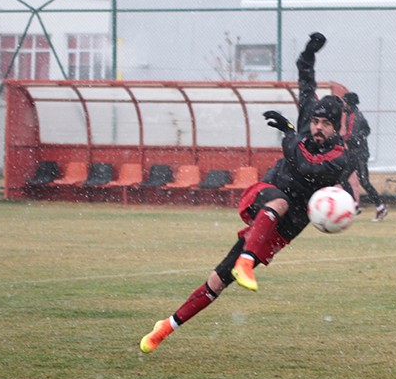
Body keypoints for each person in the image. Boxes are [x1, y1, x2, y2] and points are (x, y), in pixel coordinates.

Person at [140, 32, 357, 354]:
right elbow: (305, 80)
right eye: (314, 121)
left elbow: (307, 164)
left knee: (218, 281)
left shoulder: (342, 156)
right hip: (267, 193)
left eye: (325, 124)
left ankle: (166, 327)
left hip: (288, 223)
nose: (317, 127)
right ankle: (245, 261)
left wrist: (288, 134)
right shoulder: (306, 125)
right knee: (278, 201)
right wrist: (309, 53)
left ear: (336, 127)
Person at [341, 91, 388, 222]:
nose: (342, 104)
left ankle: (381, 208)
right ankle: (354, 205)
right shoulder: (355, 115)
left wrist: (336, 139)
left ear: (349, 103)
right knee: (343, 177)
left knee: (363, 182)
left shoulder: (354, 117)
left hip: (358, 154)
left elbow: (350, 136)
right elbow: (367, 129)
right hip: (355, 153)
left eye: (343, 101)